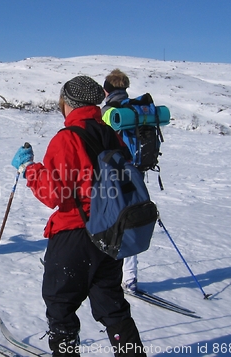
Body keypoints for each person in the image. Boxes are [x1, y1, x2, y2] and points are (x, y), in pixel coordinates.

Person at [12, 76, 146, 357]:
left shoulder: (68, 138)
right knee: (112, 306)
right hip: (109, 233)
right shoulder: (111, 133)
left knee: (60, 307)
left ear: (67, 103)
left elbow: (54, 193)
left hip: (75, 232)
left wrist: (29, 168)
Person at [102, 69, 138, 294]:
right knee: (132, 222)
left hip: (113, 174)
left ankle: (99, 271)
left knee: (106, 220)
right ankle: (131, 279)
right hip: (137, 173)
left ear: (106, 89)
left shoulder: (108, 112)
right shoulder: (136, 110)